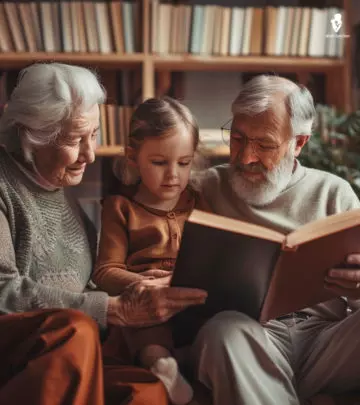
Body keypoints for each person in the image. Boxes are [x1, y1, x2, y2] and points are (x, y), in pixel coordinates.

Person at [0, 62, 207, 405]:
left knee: (147, 392)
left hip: (69, 348)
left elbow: (84, 287)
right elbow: (3, 288)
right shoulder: (5, 185)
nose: (90, 154)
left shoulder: (63, 192)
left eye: (93, 135)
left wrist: (138, 290)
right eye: (74, 139)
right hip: (23, 350)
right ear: (30, 133)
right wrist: (112, 309)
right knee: (76, 331)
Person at [188, 74, 360, 405]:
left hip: (326, 340)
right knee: (221, 332)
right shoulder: (205, 186)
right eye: (237, 138)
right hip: (252, 337)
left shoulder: (335, 193)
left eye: (264, 144)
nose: (245, 157)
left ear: (299, 142)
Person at [93, 97, 204, 405]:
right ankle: (161, 366)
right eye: (159, 163)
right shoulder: (120, 208)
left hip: (194, 301)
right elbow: (104, 272)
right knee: (142, 320)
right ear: (133, 157)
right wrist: (138, 284)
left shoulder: (199, 203)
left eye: (184, 163)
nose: (173, 175)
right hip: (147, 303)